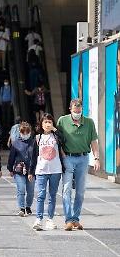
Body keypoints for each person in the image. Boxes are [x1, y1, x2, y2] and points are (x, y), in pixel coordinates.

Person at [57, 99, 100, 231]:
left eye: (79, 111)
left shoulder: (88, 122)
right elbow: (57, 139)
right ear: (70, 109)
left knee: (80, 192)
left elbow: (93, 141)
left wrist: (97, 158)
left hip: (83, 158)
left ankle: (76, 219)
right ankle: (68, 220)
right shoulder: (62, 121)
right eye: (75, 110)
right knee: (66, 189)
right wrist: (62, 154)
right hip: (68, 158)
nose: (77, 113)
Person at [30, 113, 64, 231]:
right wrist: (30, 171)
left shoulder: (56, 136)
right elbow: (33, 156)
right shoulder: (38, 137)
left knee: (52, 196)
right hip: (41, 170)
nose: (48, 124)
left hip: (55, 170)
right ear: (41, 124)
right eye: (45, 122)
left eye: (50, 122)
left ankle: (50, 219)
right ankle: (39, 219)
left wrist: (55, 129)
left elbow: (64, 140)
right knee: (41, 195)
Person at [7, 122, 35, 217]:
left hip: (31, 169)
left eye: (27, 133)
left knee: (30, 190)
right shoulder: (16, 143)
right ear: (20, 132)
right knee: (21, 188)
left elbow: (36, 156)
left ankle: (28, 206)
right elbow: (11, 157)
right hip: (19, 169)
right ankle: (22, 208)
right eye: (23, 133)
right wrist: (10, 168)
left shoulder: (34, 142)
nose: (25, 135)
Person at [0, 79, 13, 146]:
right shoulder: (2, 88)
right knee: (4, 111)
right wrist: (1, 101)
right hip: (4, 101)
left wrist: (12, 101)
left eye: (6, 82)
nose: (6, 83)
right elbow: (1, 95)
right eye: (5, 82)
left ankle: (7, 120)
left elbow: (12, 94)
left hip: (8, 101)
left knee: (8, 111)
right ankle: (4, 120)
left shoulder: (10, 88)